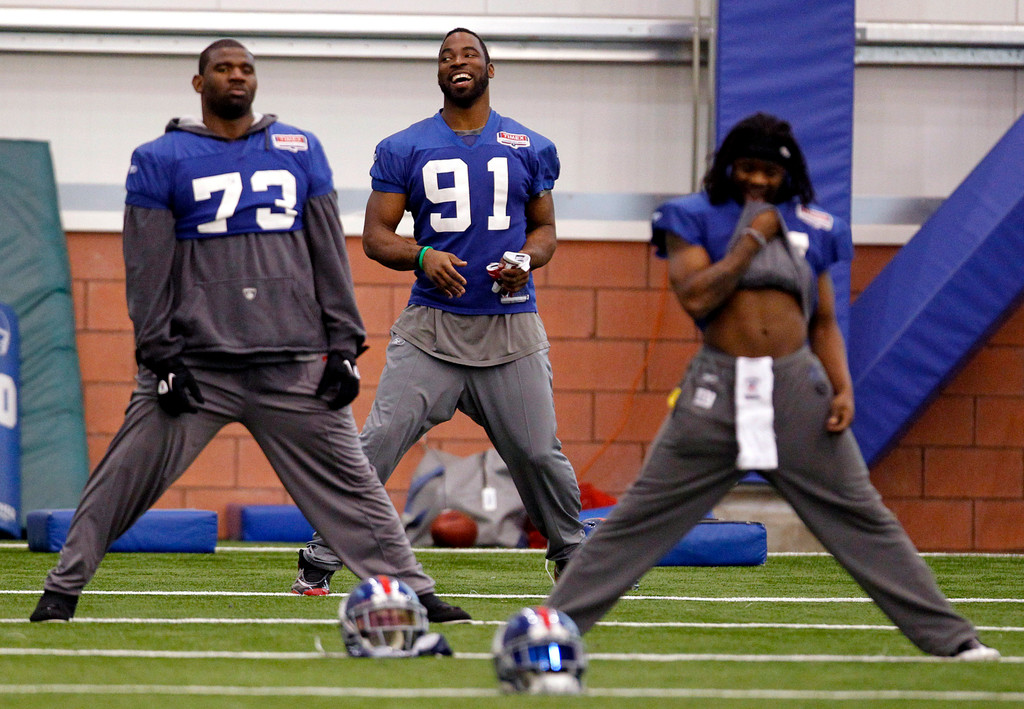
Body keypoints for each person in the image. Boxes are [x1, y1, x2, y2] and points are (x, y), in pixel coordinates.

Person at [30, 38, 466, 624]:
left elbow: (326, 254)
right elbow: (146, 267)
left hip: (292, 363)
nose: (236, 77)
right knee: (119, 481)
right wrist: (160, 356)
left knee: (354, 489)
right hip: (196, 366)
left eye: (246, 69)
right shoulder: (161, 157)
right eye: (223, 68)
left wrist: (344, 344)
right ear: (199, 82)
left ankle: (415, 592)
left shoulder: (298, 149)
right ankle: (60, 593)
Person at [546, 112, 999, 661]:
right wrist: (750, 244)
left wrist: (842, 387)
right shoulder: (693, 217)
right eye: (748, 168)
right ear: (729, 166)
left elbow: (825, 320)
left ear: (790, 174)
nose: (759, 181)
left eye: (770, 172)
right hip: (717, 388)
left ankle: (953, 641)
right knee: (643, 517)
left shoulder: (815, 225)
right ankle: (552, 627)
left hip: (794, 387)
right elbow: (695, 296)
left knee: (863, 518)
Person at [291, 28, 583, 595]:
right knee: (378, 441)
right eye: (447, 56)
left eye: (469, 54)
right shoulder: (405, 146)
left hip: (511, 328)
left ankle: (575, 554)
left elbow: (545, 230)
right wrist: (422, 255)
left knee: (539, 452)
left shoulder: (531, 145)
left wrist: (527, 258)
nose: (458, 62)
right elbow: (376, 236)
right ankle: (323, 555)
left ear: (490, 69)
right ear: (440, 73)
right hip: (432, 331)